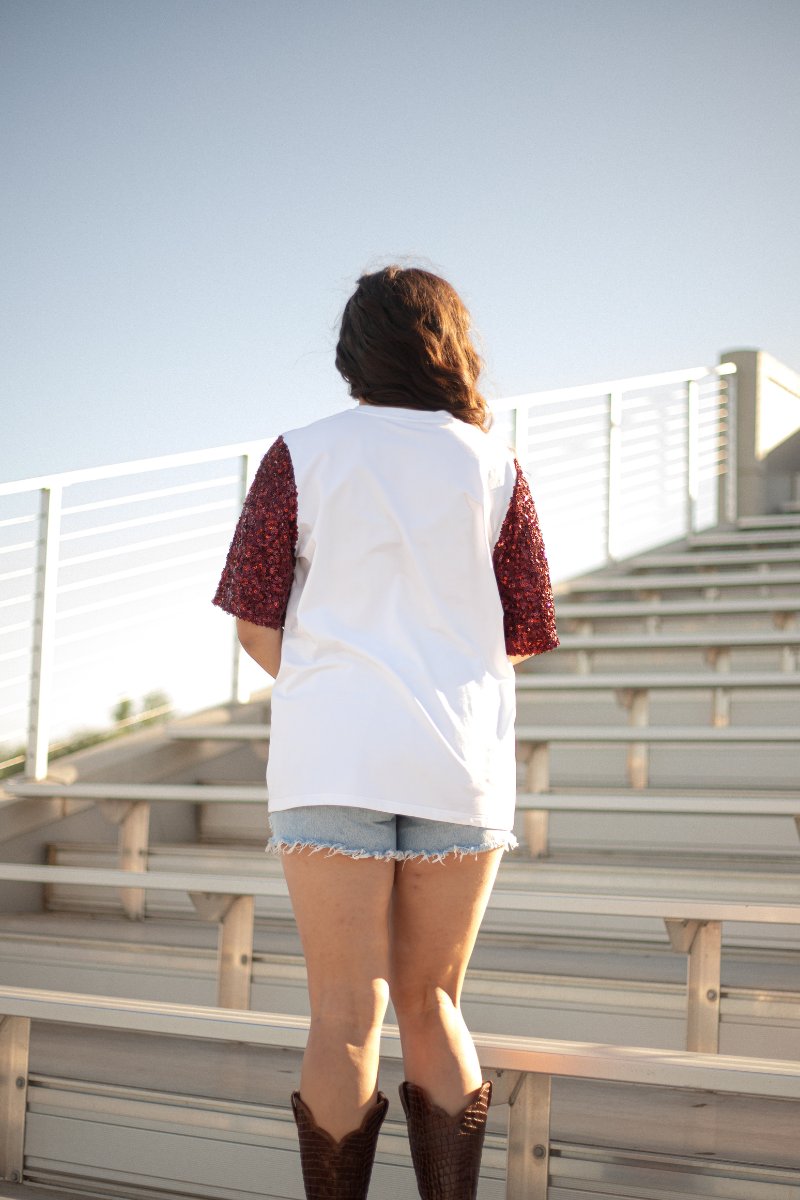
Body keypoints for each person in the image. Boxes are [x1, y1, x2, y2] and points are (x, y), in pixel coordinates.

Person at [213, 266, 558, 1200]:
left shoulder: (301, 452)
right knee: (434, 1004)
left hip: (334, 759)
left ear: (352, 351)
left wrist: (340, 689)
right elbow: (527, 627)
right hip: (459, 764)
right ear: (451, 343)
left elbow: (253, 620)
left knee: (342, 1015)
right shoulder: (498, 464)